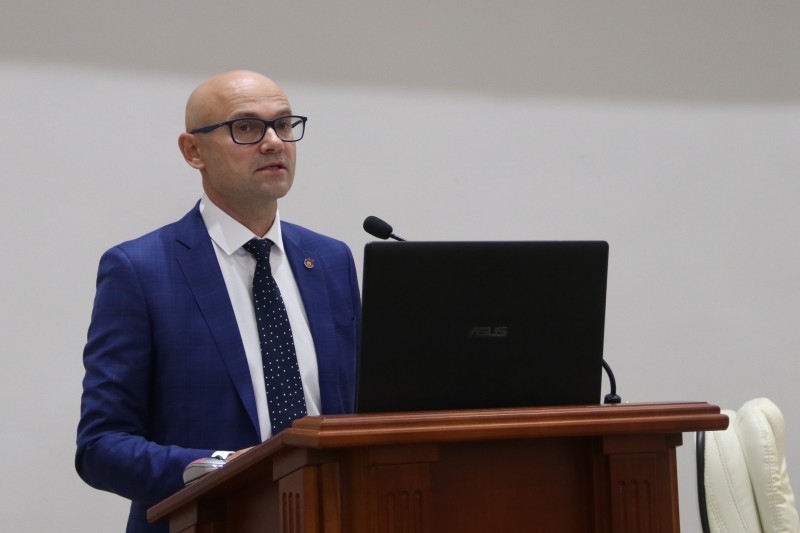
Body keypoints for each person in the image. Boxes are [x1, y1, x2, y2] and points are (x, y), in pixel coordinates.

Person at [75, 70, 361, 532]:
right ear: (194, 151)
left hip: (331, 515)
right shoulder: (140, 270)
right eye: (246, 127)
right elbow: (100, 446)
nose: (274, 142)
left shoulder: (330, 260)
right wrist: (218, 467)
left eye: (283, 124)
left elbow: (358, 411)